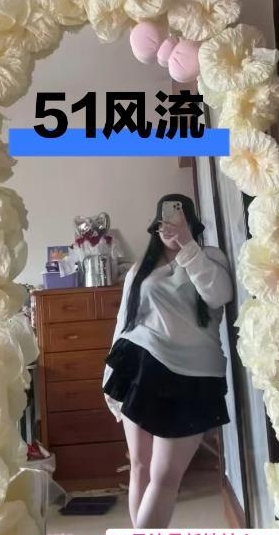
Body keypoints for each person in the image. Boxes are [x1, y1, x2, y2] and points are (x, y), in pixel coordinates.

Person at [102, 193, 233, 528]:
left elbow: (219, 295)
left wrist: (187, 246)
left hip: (193, 377)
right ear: (155, 228)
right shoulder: (139, 270)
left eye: (178, 221)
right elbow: (124, 323)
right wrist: (109, 380)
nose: (170, 228)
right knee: (140, 467)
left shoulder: (209, 257)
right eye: (164, 223)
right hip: (140, 367)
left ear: (191, 225)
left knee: (165, 476)